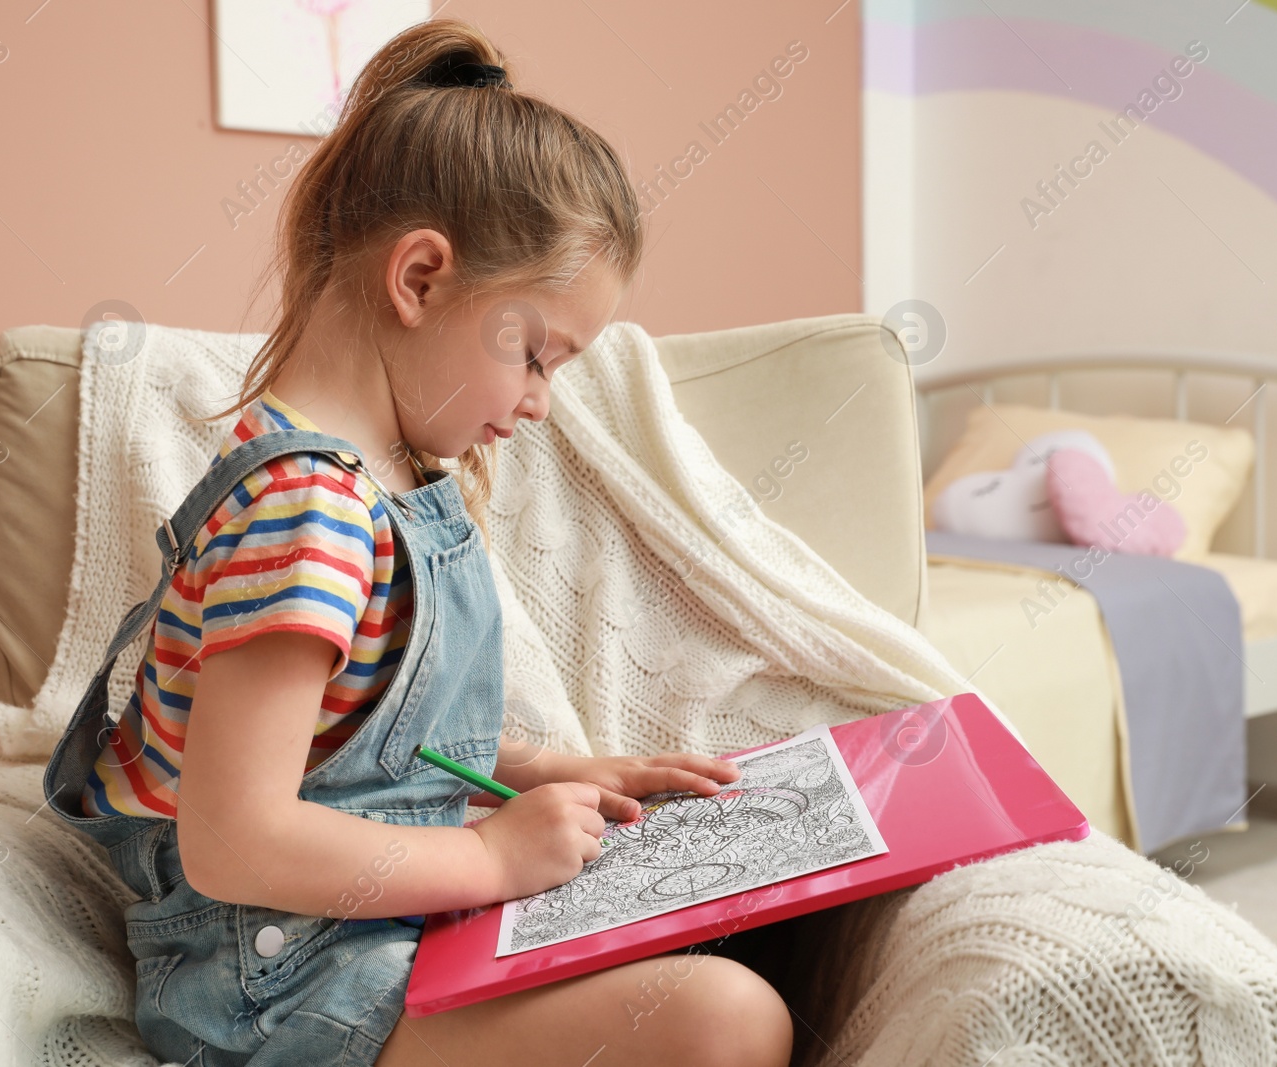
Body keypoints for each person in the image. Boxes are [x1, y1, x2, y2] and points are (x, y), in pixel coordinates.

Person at [41, 17, 794, 1067]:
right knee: (727, 1019)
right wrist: (487, 856)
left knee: (746, 944)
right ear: (422, 279)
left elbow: (362, 751)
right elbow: (236, 835)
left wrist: (555, 769)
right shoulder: (304, 511)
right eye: (537, 354)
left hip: (378, 930)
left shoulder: (382, 483)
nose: (538, 403)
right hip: (286, 980)